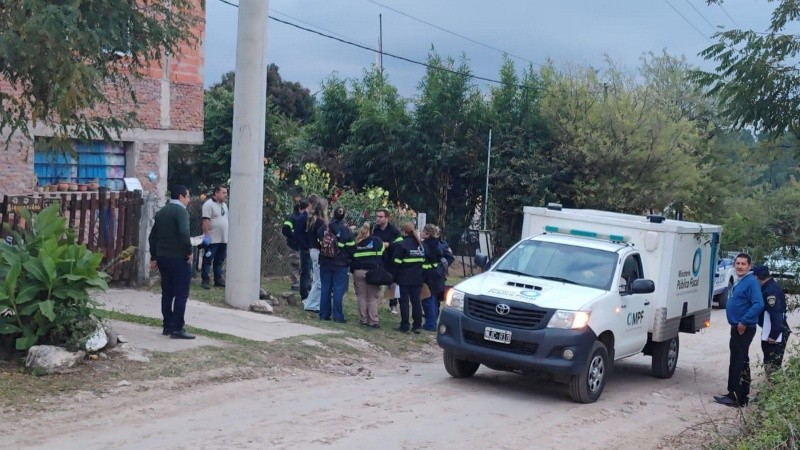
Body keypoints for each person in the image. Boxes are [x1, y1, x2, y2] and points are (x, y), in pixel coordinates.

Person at [714, 253, 764, 407]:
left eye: (743, 264)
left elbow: (758, 304)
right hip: (737, 327)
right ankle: (734, 392)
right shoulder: (741, 280)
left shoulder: (751, 282)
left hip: (743, 328)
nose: (740, 266)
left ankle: (738, 397)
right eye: (738, 263)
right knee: (737, 360)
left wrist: (743, 321)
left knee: (739, 362)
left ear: (749, 266)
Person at [148, 185, 195, 339]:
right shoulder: (180, 211)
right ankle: (177, 328)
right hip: (178, 257)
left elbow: (152, 236)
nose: (188, 200)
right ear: (181, 196)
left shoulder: (162, 211)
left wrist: (154, 256)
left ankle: (167, 325)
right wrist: (188, 251)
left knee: (167, 293)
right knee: (181, 293)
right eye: (187, 196)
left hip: (163, 257)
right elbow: (184, 233)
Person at [317, 206, 354, 322]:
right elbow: (352, 249)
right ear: (344, 215)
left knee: (325, 288)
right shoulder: (346, 230)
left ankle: (324, 315)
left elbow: (318, 243)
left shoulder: (323, 228)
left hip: (325, 263)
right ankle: (338, 317)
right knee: (338, 290)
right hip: (341, 265)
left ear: (333, 214)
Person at [753, 265, 790, 375]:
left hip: (776, 333)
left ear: (756, 277)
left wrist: (773, 335)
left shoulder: (770, 291)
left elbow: (777, 314)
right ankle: (771, 388)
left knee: (772, 363)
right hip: (771, 330)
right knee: (769, 361)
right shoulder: (769, 287)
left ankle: (773, 389)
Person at [392, 222, 426, 333]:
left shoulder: (402, 244)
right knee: (416, 302)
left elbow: (396, 263)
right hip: (417, 278)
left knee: (404, 302)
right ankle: (417, 326)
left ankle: (405, 325)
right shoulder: (420, 245)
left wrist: (394, 278)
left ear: (404, 231)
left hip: (404, 279)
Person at [350, 222, 385, 328]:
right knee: (372, 298)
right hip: (373, 272)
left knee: (361, 296)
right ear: (372, 230)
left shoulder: (357, 242)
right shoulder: (377, 241)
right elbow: (382, 255)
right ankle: (373, 321)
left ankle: (364, 320)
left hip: (358, 272)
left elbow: (353, 258)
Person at [372, 208, 402, 314]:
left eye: (380, 217)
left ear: (387, 218)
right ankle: (373, 303)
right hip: (378, 260)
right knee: (375, 280)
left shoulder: (394, 231)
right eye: (377, 216)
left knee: (392, 283)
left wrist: (389, 245)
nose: (378, 219)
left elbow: (400, 244)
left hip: (391, 260)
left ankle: (393, 304)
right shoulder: (375, 230)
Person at [200, 185, 229, 289]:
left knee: (219, 260)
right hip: (212, 239)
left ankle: (218, 279)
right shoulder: (208, 204)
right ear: (216, 193)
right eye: (223, 193)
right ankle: (205, 279)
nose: (225, 195)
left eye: (226, 193)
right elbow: (206, 221)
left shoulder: (224, 205)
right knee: (208, 259)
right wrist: (206, 235)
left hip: (223, 238)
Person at [302, 196, 327, 312]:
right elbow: (321, 238)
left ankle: (313, 303)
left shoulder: (312, 220)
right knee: (319, 281)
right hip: (317, 251)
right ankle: (310, 303)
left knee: (316, 278)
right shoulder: (320, 222)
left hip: (312, 250)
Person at [421, 224, 447, 331]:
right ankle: (433, 322)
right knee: (434, 299)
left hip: (427, 275)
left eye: (423, 231)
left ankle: (430, 324)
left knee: (427, 299)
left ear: (427, 233)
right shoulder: (438, 243)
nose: (421, 232)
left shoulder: (425, 245)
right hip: (437, 275)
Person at [283, 201, 307, 291]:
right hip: (294, 245)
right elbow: (285, 230)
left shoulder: (302, 218)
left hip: (300, 245)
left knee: (299, 265)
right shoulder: (292, 218)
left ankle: (299, 283)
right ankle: (296, 283)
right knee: (296, 264)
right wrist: (294, 237)